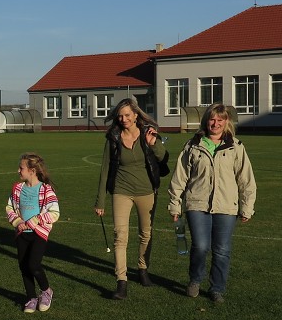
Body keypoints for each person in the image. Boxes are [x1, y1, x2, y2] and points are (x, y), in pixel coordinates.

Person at [168, 104, 256, 303]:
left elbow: (246, 179)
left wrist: (247, 206)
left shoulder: (236, 146)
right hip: (197, 204)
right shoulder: (192, 145)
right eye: (212, 119)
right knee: (200, 246)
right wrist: (175, 205)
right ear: (206, 120)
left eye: (220, 120)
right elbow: (179, 177)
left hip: (226, 206)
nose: (215, 123)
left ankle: (217, 288)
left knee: (222, 250)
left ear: (226, 122)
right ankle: (195, 280)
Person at [94, 97, 168, 300]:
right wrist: (100, 200)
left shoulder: (148, 133)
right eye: (120, 115)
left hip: (147, 191)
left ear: (136, 115)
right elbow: (105, 169)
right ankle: (121, 282)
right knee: (120, 236)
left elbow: (163, 157)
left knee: (146, 234)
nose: (123, 118)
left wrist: (154, 143)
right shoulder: (113, 137)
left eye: (127, 114)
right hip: (121, 191)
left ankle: (143, 269)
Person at [6, 153, 60, 313]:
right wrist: (18, 222)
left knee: (33, 265)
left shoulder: (45, 189)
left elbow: (55, 213)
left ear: (32, 170)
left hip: (38, 234)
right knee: (24, 266)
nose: (18, 170)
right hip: (21, 234)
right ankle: (31, 297)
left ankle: (46, 291)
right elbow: (9, 208)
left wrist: (35, 221)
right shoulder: (17, 188)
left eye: (21, 168)